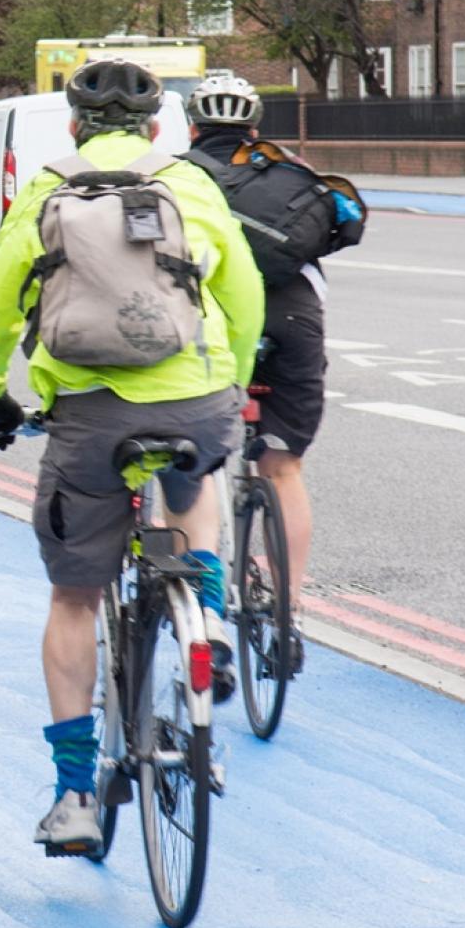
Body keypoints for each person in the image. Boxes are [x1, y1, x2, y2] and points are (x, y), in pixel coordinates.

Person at [0, 59, 264, 856]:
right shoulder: (190, 185)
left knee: (73, 598)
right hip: (195, 398)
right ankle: (210, 624)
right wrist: (232, 373)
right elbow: (244, 287)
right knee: (193, 480)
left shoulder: (48, 188)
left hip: (89, 416)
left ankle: (72, 797)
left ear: (74, 127)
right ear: (157, 126)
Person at [182, 73, 355, 677]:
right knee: (283, 469)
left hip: (211, 322)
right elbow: (342, 224)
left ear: (191, 127)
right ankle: (288, 615)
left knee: (194, 463)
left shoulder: (176, 177)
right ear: (254, 129)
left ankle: (201, 617)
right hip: (292, 320)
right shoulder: (289, 169)